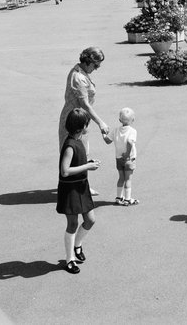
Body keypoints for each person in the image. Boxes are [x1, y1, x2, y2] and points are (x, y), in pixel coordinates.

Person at [59, 47, 109, 195]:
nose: (97, 68)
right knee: (74, 153)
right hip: (73, 120)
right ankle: (76, 186)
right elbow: (85, 104)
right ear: (88, 62)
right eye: (96, 65)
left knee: (81, 153)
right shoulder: (79, 77)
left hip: (80, 119)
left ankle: (81, 184)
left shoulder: (81, 72)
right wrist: (101, 123)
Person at [56, 108, 99, 274]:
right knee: (72, 224)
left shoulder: (79, 140)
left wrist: (88, 161)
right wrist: (87, 166)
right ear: (81, 127)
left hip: (82, 187)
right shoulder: (69, 146)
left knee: (90, 220)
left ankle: (77, 245)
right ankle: (69, 260)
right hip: (70, 190)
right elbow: (65, 171)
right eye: (87, 123)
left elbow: (77, 163)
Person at [104, 107, 139, 206]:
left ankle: (119, 197)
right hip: (129, 159)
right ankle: (127, 199)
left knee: (121, 178)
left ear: (120, 120)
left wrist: (103, 134)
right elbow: (129, 142)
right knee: (128, 179)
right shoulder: (132, 131)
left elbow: (107, 141)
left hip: (118, 158)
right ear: (133, 120)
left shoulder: (115, 130)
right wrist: (127, 154)